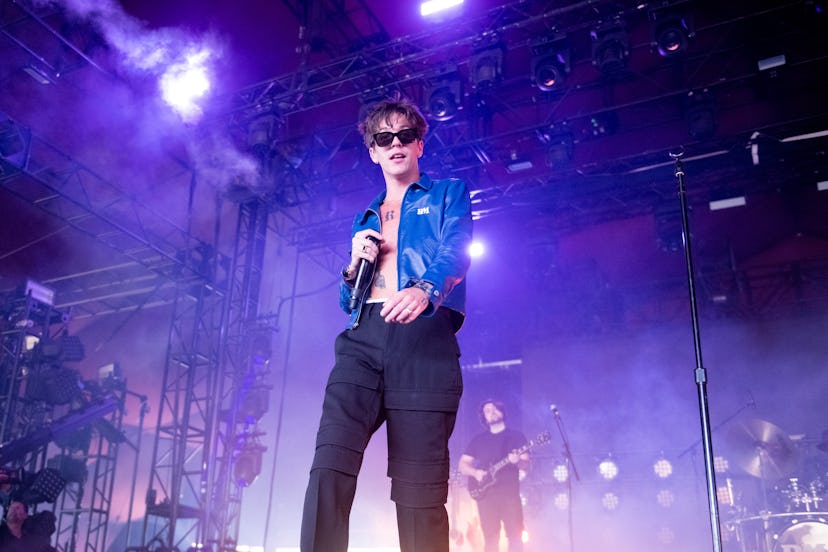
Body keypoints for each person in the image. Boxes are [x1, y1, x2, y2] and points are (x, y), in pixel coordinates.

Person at [299, 95, 473, 552]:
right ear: (373, 150)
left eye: (405, 135)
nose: (396, 143)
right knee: (330, 462)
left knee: (419, 492)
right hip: (363, 339)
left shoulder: (447, 193)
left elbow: (457, 248)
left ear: (419, 145)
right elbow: (346, 302)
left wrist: (426, 289)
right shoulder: (366, 217)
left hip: (423, 341)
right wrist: (353, 267)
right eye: (384, 137)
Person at [458, 400, 529, 552]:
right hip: (486, 497)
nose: (492, 411)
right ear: (484, 417)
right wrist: (475, 473)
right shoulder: (478, 440)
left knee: (516, 538)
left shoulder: (516, 437)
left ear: (502, 412)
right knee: (490, 539)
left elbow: (526, 464)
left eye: (495, 408)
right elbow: (463, 465)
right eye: (487, 410)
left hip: (510, 496)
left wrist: (517, 462)